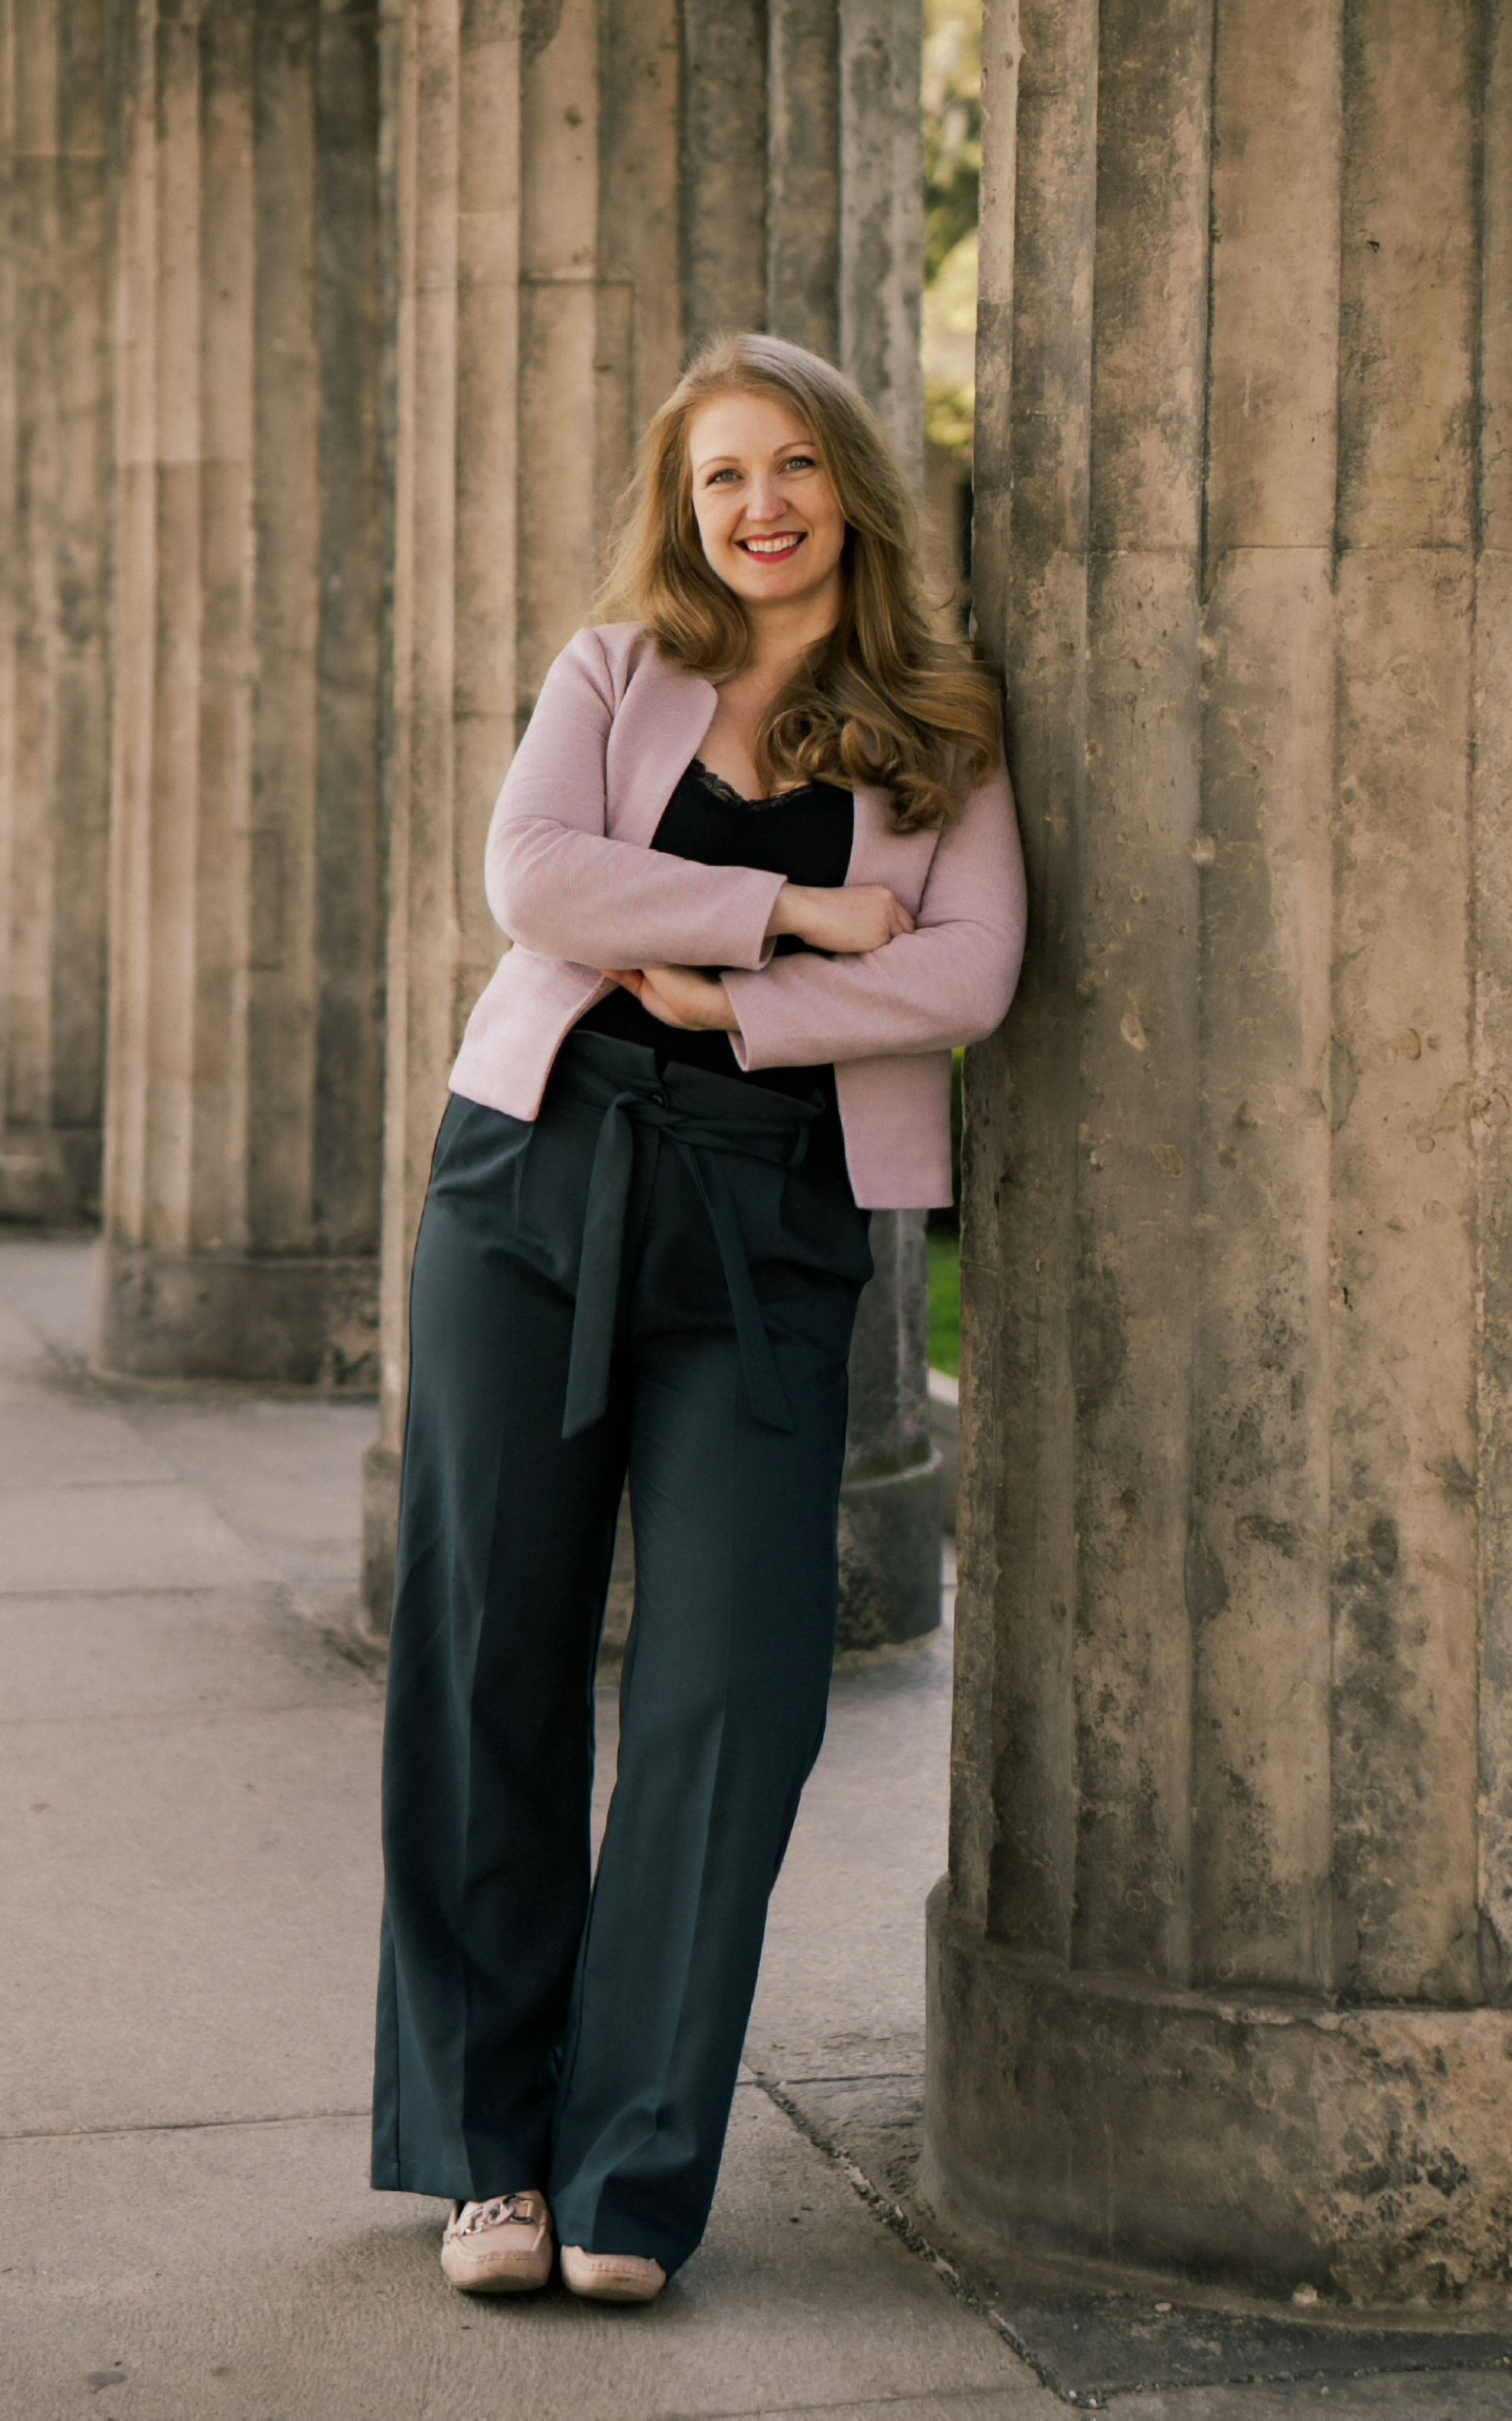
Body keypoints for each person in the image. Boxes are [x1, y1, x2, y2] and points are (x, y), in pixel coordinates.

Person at [371, 332, 1027, 2304]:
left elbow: (978, 970)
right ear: (686, 505)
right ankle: (490, 2154)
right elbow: (532, 876)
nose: (761, 505)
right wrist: (794, 918)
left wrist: (734, 1007)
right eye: (724, 474)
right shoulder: (614, 673)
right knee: (492, 1644)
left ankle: (634, 2168)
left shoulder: (938, 725)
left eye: (796, 466)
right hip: (534, 1184)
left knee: (731, 1694)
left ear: (850, 493)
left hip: (773, 1213)